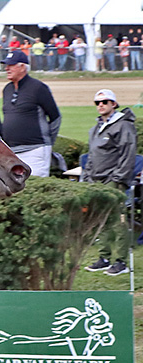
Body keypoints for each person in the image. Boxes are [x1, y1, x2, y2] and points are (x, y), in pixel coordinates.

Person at [82, 89, 138, 276]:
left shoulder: (123, 126)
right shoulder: (96, 128)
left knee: (119, 221)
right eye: (97, 102)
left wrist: (118, 179)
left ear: (114, 104)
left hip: (114, 181)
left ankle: (121, 261)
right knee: (102, 221)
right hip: (96, 180)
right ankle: (104, 258)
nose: (101, 105)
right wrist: (87, 176)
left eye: (105, 102)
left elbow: (128, 154)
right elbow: (92, 156)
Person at [0, 50, 61, 178]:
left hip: (35, 151)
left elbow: (55, 117)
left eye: (11, 65)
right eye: (6, 65)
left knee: (34, 189)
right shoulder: (7, 89)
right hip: (12, 152)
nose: (7, 68)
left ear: (22, 67)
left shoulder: (38, 88)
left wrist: (47, 142)